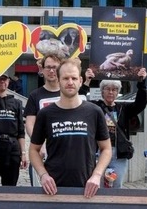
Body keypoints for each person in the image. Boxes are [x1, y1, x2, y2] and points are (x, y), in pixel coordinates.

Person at [29, 58, 111, 198]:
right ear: (59, 81)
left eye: (73, 78)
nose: (70, 82)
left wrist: (97, 175)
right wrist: (43, 175)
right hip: (53, 191)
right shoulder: (46, 114)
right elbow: (33, 150)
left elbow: (106, 149)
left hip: (87, 190)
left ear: (80, 80)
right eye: (65, 78)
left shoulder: (94, 112)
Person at [82, 67, 147, 188]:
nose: (111, 92)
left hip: (118, 153)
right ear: (102, 91)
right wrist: (87, 82)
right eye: (107, 89)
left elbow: (140, 104)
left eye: (114, 89)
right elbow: (79, 100)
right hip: (98, 152)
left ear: (118, 92)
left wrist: (141, 83)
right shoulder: (94, 107)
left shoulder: (123, 108)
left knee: (116, 185)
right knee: (97, 184)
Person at [25, 53, 62, 186]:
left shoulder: (68, 93)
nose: (51, 71)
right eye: (48, 67)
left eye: (54, 67)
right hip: (42, 152)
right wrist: (38, 143)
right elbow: (30, 123)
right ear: (42, 70)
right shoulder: (35, 95)